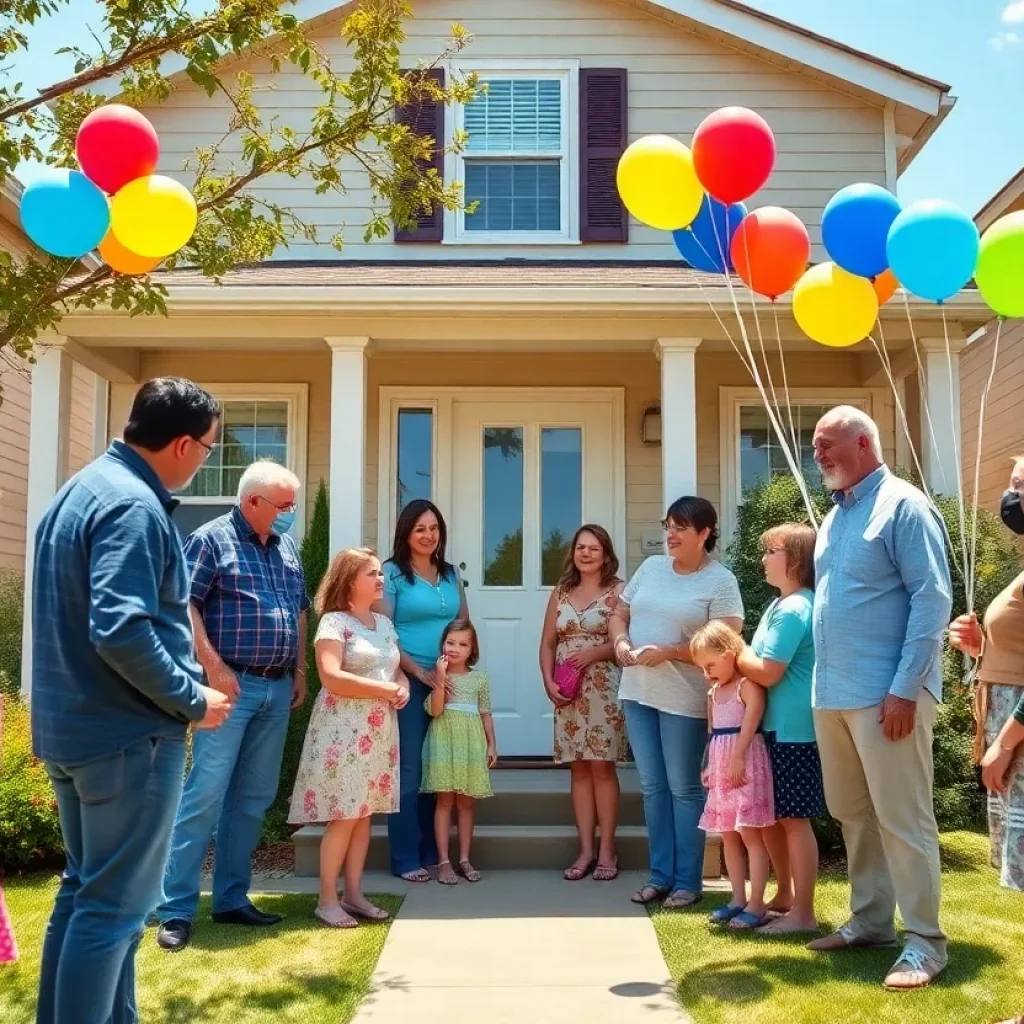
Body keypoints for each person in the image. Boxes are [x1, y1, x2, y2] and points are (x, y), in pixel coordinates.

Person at [31, 378, 233, 1024]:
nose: (204, 460)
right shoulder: (134, 508)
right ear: (180, 444)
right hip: (127, 742)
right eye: (207, 448)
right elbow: (119, 627)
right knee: (114, 912)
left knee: (88, 897)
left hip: (75, 735)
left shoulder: (80, 491)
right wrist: (192, 699)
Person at [809, 405, 952, 990]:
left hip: (887, 695)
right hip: (834, 693)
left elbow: (932, 600)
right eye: (815, 447)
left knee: (903, 818)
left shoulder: (905, 506)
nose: (818, 455)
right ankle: (871, 922)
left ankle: (926, 941)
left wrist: (904, 690)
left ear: (864, 442)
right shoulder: (835, 515)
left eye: (827, 444)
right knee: (854, 814)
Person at [156, 460, 310, 951]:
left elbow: (300, 607)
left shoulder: (284, 546)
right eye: (284, 506)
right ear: (252, 502)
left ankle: (231, 899)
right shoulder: (210, 539)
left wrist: (300, 668)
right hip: (229, 687)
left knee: (253, 798)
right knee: (204, 792)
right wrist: (214, 668)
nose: (290, 514)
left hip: (276, 687)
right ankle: (175, 909)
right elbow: (184, 603)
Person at [609, 496, 744, 910]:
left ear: (705, 534)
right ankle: (659, 877)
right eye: (669, 525)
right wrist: (619, 641)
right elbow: (619, 613)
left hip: (683, 697)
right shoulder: (650, 569)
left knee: (684, 789)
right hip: (638, 693)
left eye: (681, 527)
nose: (671, 534)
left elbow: (727, 646)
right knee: (652, 788)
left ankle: (688, 881)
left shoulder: (721, 582)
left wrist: (670, 651)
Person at [288, 548, 408, 928]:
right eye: (371, 573)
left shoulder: (384, 624)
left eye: (379, 573)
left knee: (363, 816)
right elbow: (331, 676)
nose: (380, 579)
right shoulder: (333, 623)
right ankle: (327, 900)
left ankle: (353, 894)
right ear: (349, 579)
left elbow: (395, 668)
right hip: (343, 732)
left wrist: (402, 686)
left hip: (379, 729)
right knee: (344, 815)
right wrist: (385, 690)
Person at [736, 523, 823, 935]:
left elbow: (768, 671)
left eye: (771, 551)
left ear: (795, 559)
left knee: (793, 818)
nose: (763, 558)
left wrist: (734, 655)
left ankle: (803, 914)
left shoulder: (795, 609)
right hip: (774, 728)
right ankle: (785, 896)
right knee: (773, 816)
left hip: (794, 730)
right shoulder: (780, 604)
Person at [379, 499, 467, 882]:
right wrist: (421, 673)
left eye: (434, 528)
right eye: (420, 529)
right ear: (406, 533)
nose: (428, 535)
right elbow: (384, 633)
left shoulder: (450, 574)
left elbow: (463, 626)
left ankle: (435, 851)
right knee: (410, 769)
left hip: (447, 683)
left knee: (439, 768)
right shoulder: (392, 574)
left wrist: (454, 672)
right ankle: (404, 856)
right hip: (409, 682)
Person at [947, 456, 1024, 893]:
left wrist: (1004, 745)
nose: (1011, 499)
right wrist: (980, 647)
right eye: (1012, 486)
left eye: (1021, 488)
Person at [539, 524, 627, 882]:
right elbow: (547, 642)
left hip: (604, 689)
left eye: (593, 548)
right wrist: (547, 681)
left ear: (606, 554)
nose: (586, 553)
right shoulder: (560, 592)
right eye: (580, 547)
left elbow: (626, 642)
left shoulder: (619, 591)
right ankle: (585, 851)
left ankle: (607, 850)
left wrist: (597, 652)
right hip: (568, 692)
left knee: (601, 768)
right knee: (578, 768)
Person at [692, 621, 775, 929]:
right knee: (727, 834)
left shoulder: (747, 686)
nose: (707, 674)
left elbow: (752, 720)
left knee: (750, 834)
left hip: (745, 764)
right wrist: (710, 766)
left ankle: (757, 904)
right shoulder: (713, 693)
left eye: (711, 665)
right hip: (722, 768)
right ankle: (737, 898)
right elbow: (713, 733)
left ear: (729, 655)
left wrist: (738, 757)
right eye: (702, 668)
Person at [422, 619, 496, 884]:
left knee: (466, 803)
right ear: (443, 644)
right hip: (444, 742)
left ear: (472, 649)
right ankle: (443, 861)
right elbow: (435, 710)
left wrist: (491, 744)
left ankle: (464, 858)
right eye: (450, 642)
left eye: (463, 644)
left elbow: (485, 713)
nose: (455, 648)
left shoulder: (479, 679)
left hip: (471, 744)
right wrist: (440, 679)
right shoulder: (435, 676)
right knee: (444, 801)